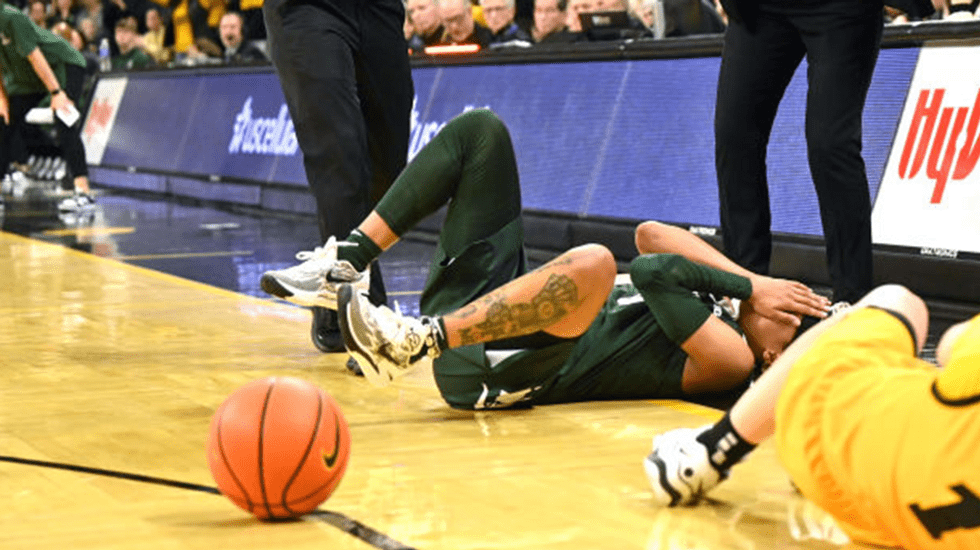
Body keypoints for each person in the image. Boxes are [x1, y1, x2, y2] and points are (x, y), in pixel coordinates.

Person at [264, 109, 830, 409]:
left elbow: (654, 271)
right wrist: (753, 281)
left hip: (501, 371)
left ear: (775, 355)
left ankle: (413, 341)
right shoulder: (733, 299)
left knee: (595, 264)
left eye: (795, 311)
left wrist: (751, 289)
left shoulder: (733, 361)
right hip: (494, 312)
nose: (789, 296)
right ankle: (346, 263)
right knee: (480, 133)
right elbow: (651, 235)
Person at [645, 283, 980, 549]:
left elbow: (949, 347)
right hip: (925, 528)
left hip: (845, 458)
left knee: (897, 300)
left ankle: (711, 450)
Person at [713, 0, 927, 307]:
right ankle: (743, 288)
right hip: (761, 9)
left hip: (841, 8)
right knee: (734, 135)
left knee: (831, 144)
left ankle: (851, 297)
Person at [261, 0, 414, 353]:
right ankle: (360, 310)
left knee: (389, 156)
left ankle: (333, 292)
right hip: (306, 9)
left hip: (378, 8)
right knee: (339, 153)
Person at [0, 0, 93, 211]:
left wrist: (56, 93)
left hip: (62, 64)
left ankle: (83, 192)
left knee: (64, 118)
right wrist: (3, 100)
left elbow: (36, 57)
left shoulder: (12, 18)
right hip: (27, 78)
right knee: (4, 122)